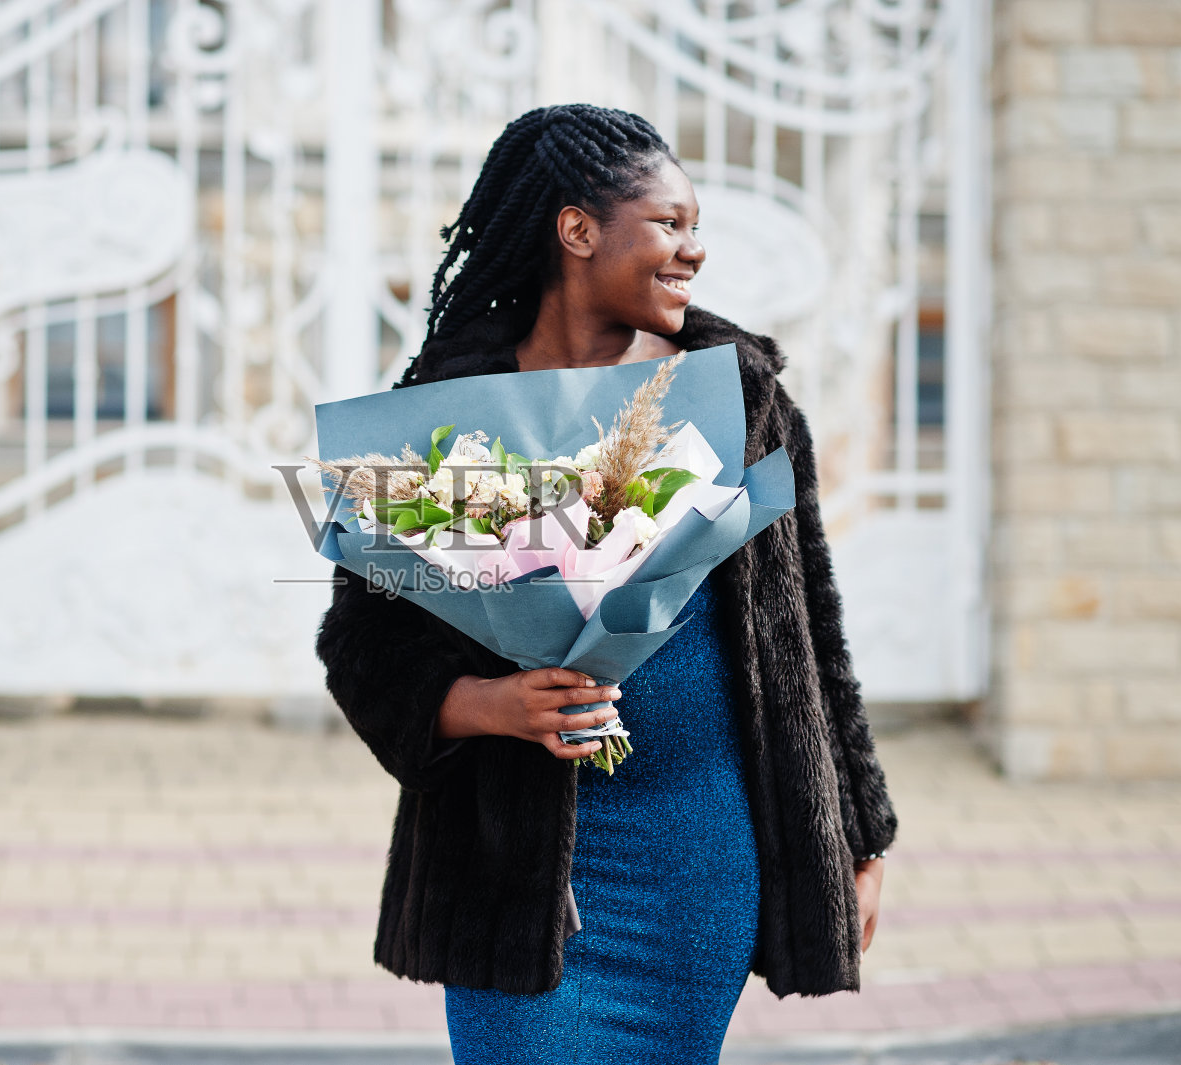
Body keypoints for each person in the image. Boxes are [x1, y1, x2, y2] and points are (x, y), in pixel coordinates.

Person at [314, 104, 896, 1063]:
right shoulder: (447, 405)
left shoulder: (740, 398)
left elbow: (812, 638)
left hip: (696, 860)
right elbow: (361, 647)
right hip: (512, 872)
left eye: (697, 226)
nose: (694, 250)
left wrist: (862, 835)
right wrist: (491, 704)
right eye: (670, 222)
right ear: (577, 229)